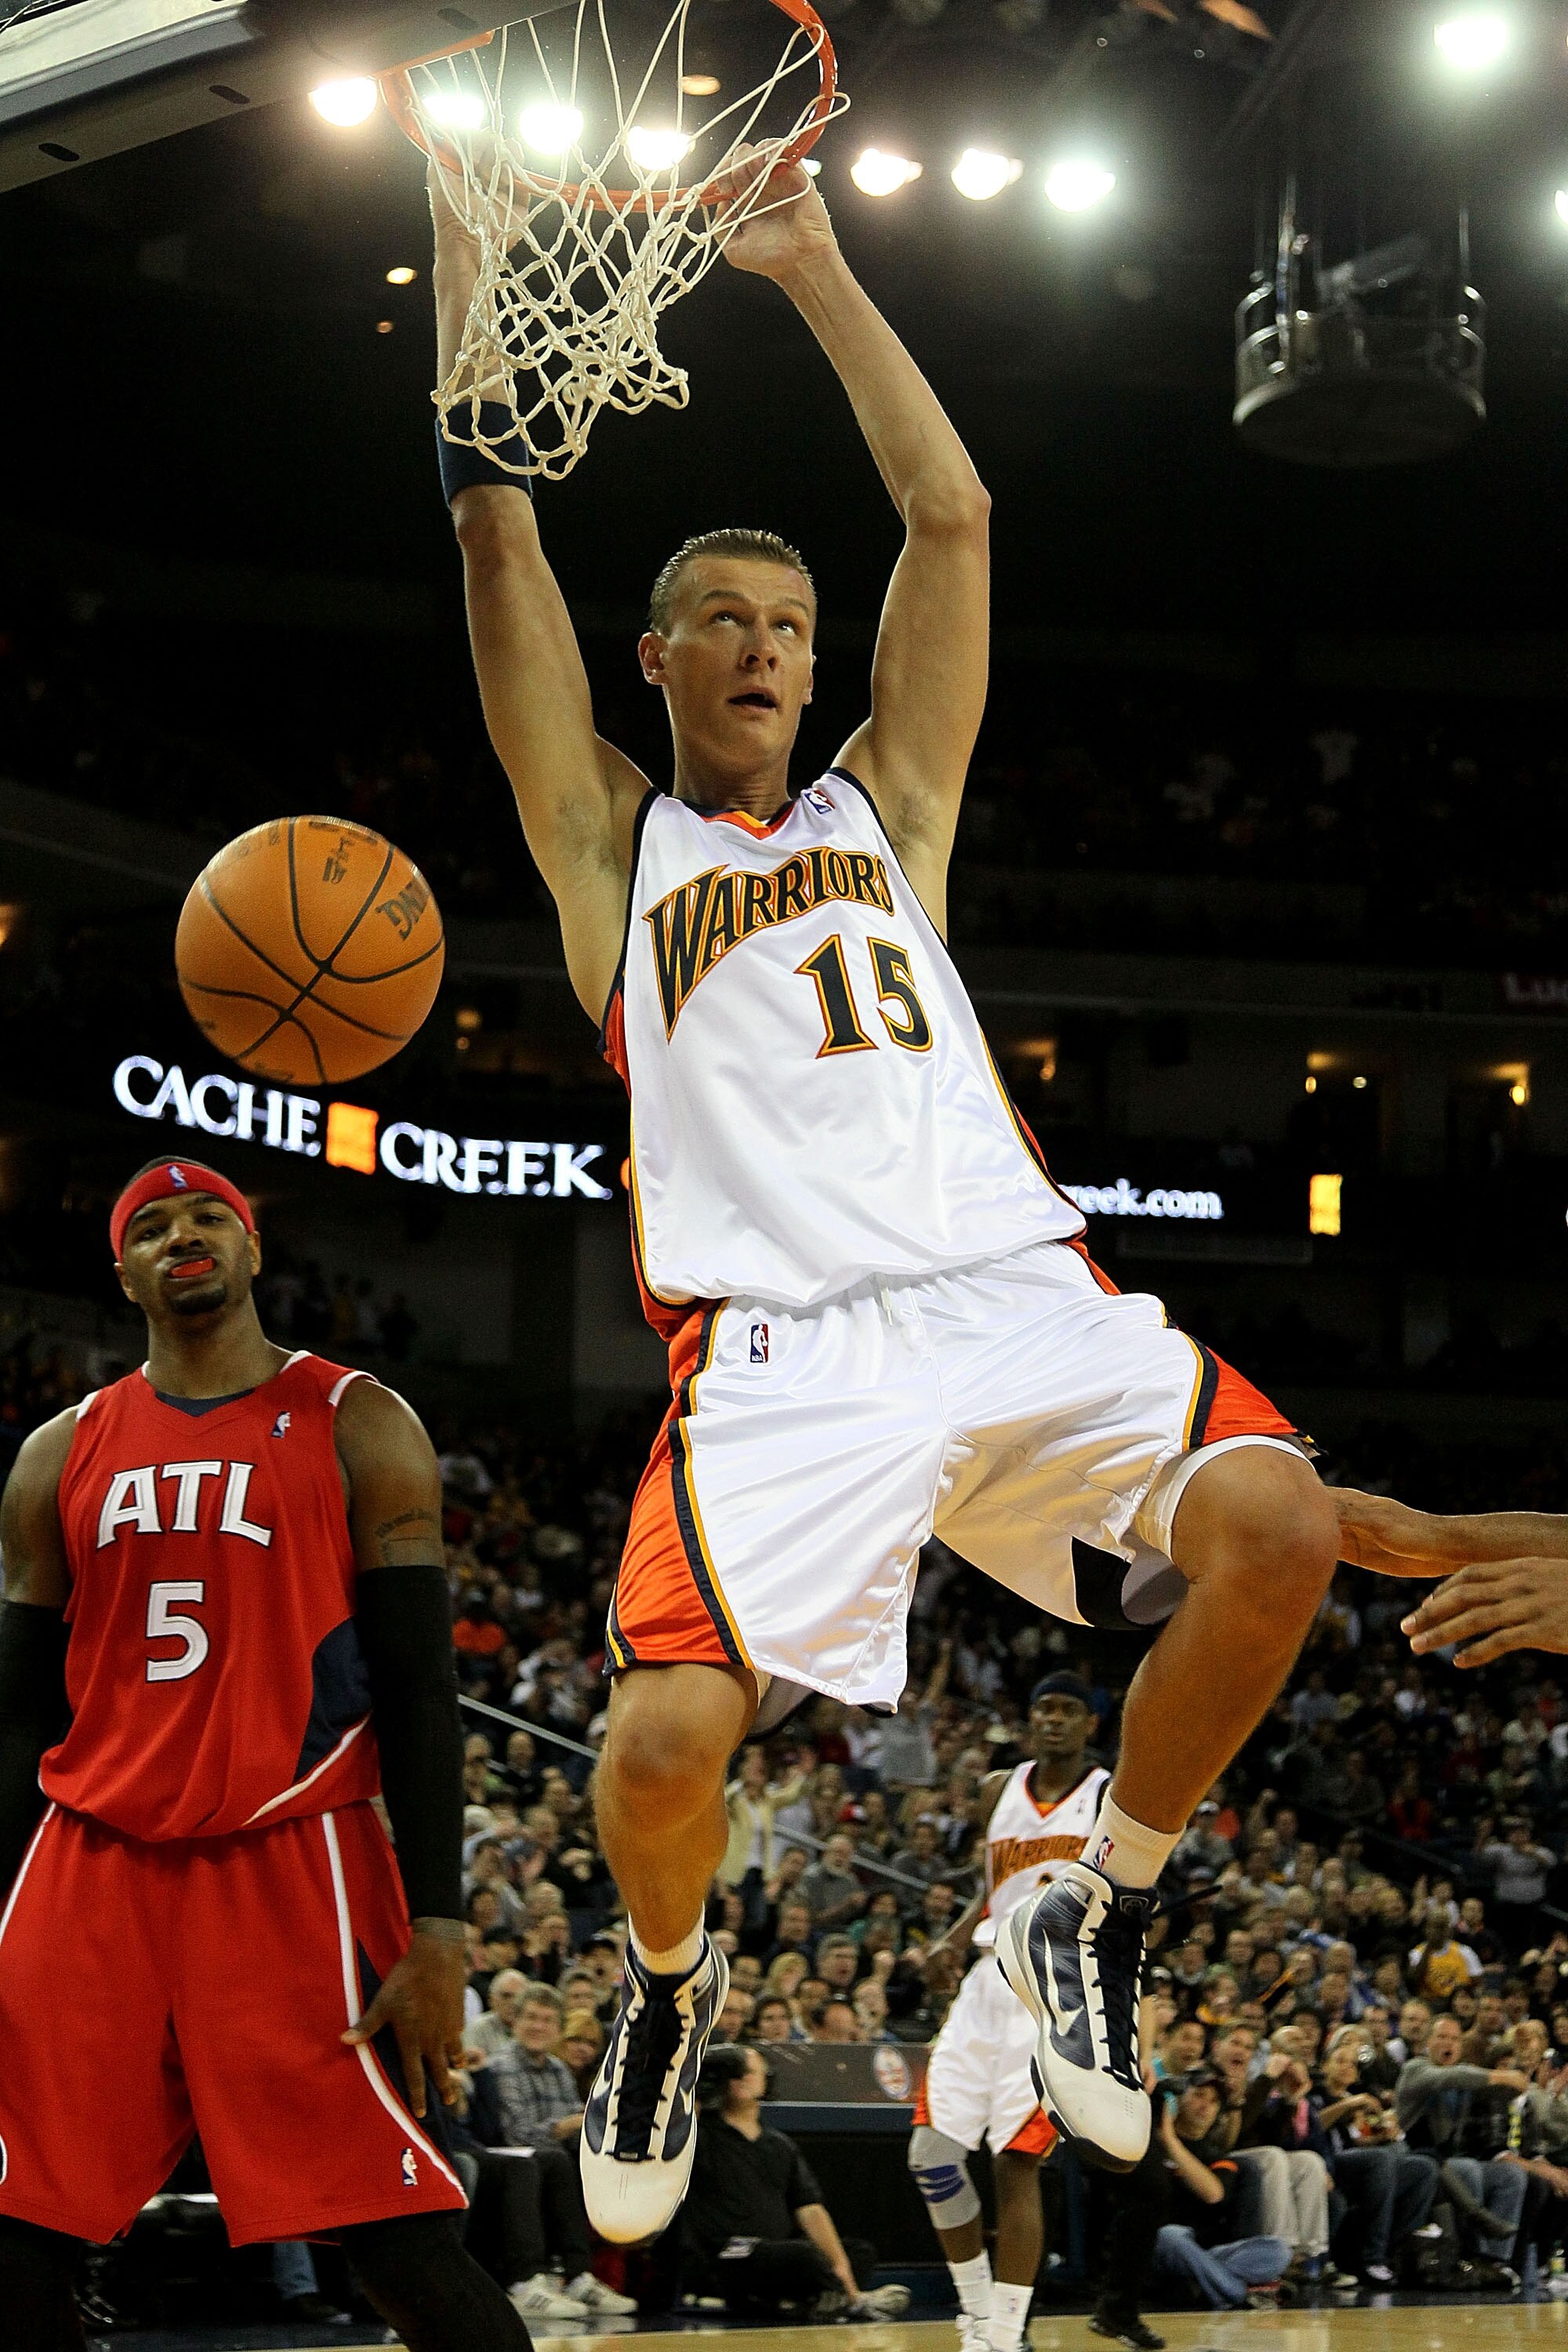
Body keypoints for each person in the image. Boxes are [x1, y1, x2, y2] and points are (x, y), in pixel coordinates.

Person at [430, 136, 1338, 2245]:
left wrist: (816, 266)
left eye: (789, 627)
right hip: (781, 1351)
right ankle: (668, 1996)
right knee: (660, 1755)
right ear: (653, 659)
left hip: (1006, 1288)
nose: (764, 650)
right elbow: (495, 538)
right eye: (721, 624)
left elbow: (954, 512)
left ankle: (1094, 1914)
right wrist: (467, 243)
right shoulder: (610, 857)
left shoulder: (892, 806)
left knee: (1280, 1521)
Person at [0, 1158, 530, 2352]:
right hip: (92, 1862)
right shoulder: (56, 1454)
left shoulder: (360, 1418)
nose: (180, 1236)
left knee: (396, 2241)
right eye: (150, 1226)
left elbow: (415, 1686)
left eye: (207, 1220)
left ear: (251, 1252)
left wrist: (439, 1927)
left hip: (289, 1852)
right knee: (13, 2226)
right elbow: (17, 1717)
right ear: (121, 1272)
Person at [908, 1673, 1107, 2352]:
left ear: (1090, 1725)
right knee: (931, 2155)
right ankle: (975, 2318)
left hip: (1056, 1986)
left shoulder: (1108, 1795)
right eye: (1042, 1708)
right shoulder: (999, 1788)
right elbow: (995, 1892)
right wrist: (952, 1940)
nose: (1053, 1720)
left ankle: (1003, 2333)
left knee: (1014, 2164)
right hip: (988, 1977)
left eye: (1068, 1709)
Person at [683, 2047, 908, 2319]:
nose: (741, 2079)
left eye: (749, 2072)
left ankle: (818, 2299)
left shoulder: (778, 2145)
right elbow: (680, 2128)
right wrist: (698, 2090)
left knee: (856, 2251)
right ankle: (850, 2302)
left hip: (778, 2252)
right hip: (728, 2254)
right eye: (734, 2074)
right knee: (800, 2255)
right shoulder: (702, 2134)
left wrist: (841, 2267)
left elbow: (810, 2208)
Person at [468, 1987, 631, 2321]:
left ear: (558, 2029)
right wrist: (569, 2124)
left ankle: (579, 2277)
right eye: (531, 2017)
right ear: (514, 2021)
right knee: (550, 2161)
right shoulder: (502, 2066)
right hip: (501, 2159)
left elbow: (578, 2130)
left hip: (547, 2161)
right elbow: (517, 2134)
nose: (538, 2027)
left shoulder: (558, 2069)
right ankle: (527, 2280)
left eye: (547, 2020)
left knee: (581, 2161)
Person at [1151, 2071, 1291, 2310]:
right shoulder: (1150, 2144)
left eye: (1214, 2102)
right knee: (1171, 2236)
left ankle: (1203, 2282)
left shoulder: (1217, 2156)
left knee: (1278, 2251)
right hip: (1158, 2247)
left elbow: (1213, 2193)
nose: (1205, 2106)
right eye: (1199, 2096)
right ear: (1179, 2099)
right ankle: (1238, 2292)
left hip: (1205, 2252)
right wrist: (1167, 2136)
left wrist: (1171, 2142)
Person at [1395, 2013, 1530, 2259]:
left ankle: (1498, 2260)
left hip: (1451, 2160)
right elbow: (1445, 2078)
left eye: (1455, 2039)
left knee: (1511, 2175)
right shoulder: (1415, 2069)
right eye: (1441, 2037)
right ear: (1428, 2042)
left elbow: (1503, 2095)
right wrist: (1501, 2076)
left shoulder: (1466, 2075)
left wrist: (1521, 2072)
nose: (1448, 2044)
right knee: (1468, 2169)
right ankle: (1474, 2252)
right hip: (1415, 2156)